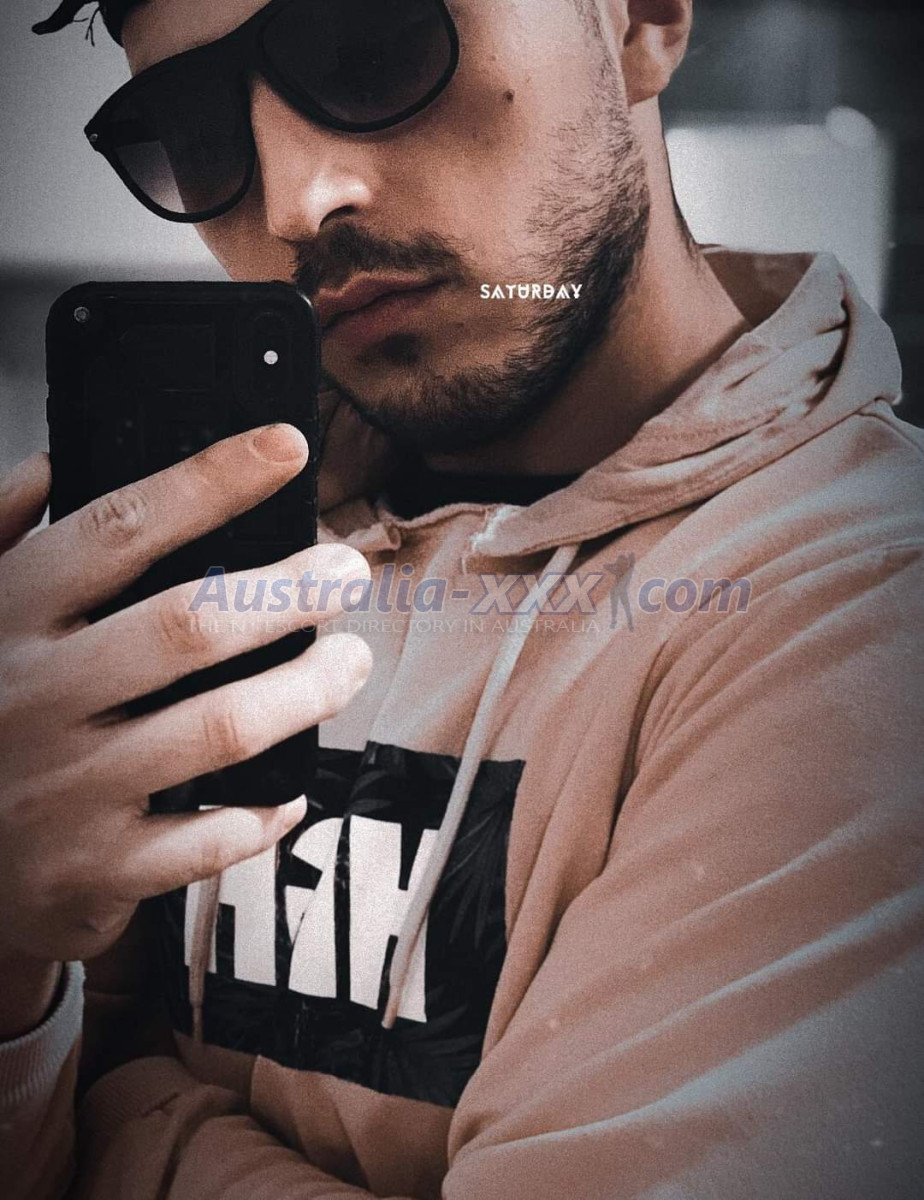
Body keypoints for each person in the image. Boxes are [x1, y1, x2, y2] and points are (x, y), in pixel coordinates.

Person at [1, 0, 922, 1196]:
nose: (295, 206)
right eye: (196, 135)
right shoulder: (223, 552)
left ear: (641, 22)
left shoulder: (865, 609)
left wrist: (120, 1113)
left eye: (369, 49)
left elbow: (72, 1111)